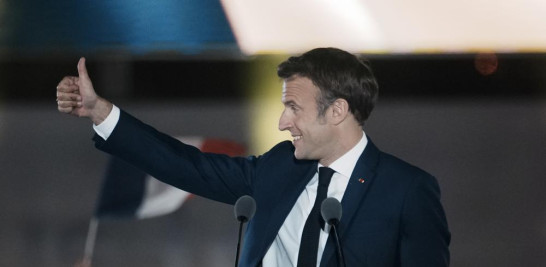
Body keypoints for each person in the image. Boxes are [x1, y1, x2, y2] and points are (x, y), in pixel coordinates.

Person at [56, 47, 450, 267]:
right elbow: (186, 166)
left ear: (337, 111)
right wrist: (101, 113)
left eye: (293, 107)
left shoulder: (407, 191)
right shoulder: (280, 168)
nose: (282, 122)